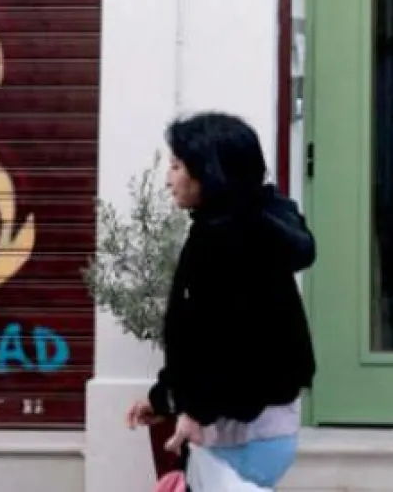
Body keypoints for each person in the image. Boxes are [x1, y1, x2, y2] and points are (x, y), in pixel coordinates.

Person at [125, 111, 317, 491]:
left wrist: (195, 410)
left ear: (208, 172)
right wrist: (164, 398)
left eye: (178, 166)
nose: (168, 179)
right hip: (262, 426)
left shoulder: (224, 239)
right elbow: (201, 334)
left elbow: (227, 341)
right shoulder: (248, 225)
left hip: (238, 432)